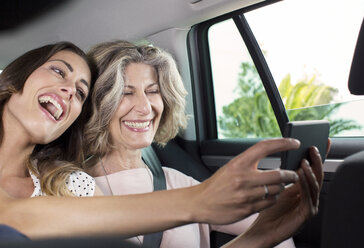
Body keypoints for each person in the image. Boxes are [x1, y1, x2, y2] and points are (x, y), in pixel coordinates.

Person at [0, 41, 317, 245]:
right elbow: (13, 217)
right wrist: (197, 201)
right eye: (58, 71)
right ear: (14, 79)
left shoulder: (71, 184)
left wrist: (260, 236)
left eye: (81, 91)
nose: (69, 90)